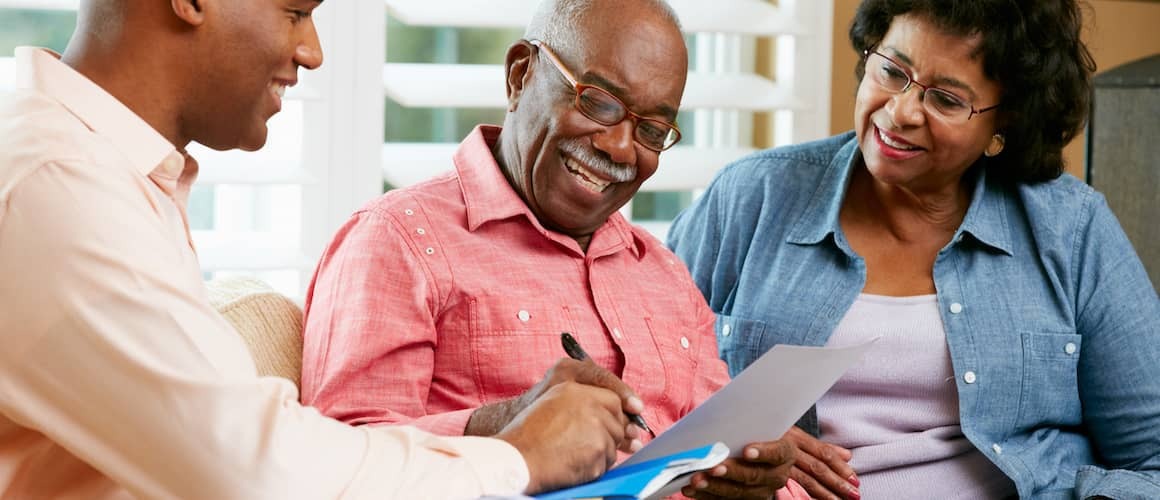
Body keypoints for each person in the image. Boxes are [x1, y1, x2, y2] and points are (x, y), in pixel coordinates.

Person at [0, 0, 644, 497]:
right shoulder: (55, 186)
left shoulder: (102, 173)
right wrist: (520, 456)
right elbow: (255, 473)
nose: (312, 52)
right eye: (296, 12)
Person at [299, 0, 805, 498]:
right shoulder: (398, 241)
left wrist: (756, 474)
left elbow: (721, 446)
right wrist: (506, 426)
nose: (621, 148)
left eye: (651, 130)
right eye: (598, 102)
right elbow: (342, 461)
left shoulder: (664, 271)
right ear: (520, 75)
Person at [667, 0, 1160, 498]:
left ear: (1004, 122)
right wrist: (728, 438)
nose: (899, 112)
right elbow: (650, 387)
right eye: (891, 71)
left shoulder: (1070, 229)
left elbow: (1153, 454)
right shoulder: (753, 196)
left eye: (946, 100)